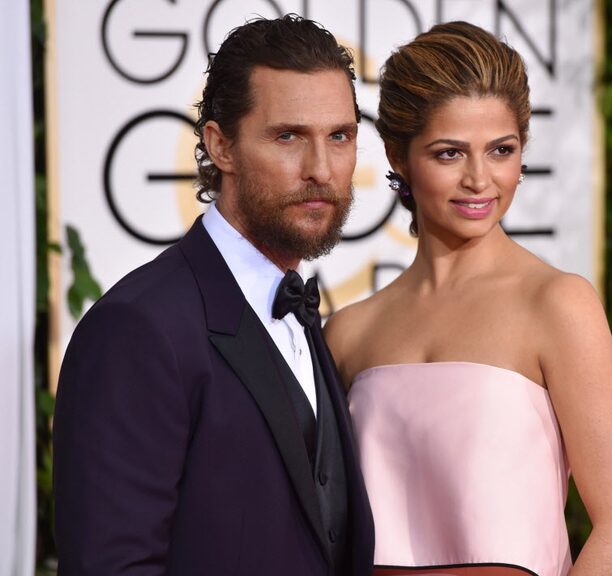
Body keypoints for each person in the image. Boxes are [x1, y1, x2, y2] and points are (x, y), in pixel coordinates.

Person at [324, 21, 612, 576]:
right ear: (399, 156)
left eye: (501, 150)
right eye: (450, 153)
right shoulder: (349, 333)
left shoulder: (556, 304)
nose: (480, 180)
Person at [53, 15, 374, 576]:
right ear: (219, 146)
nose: (321, 169)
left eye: (339, 136)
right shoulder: (139, 327)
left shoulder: (301, 312)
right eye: (288, 136)